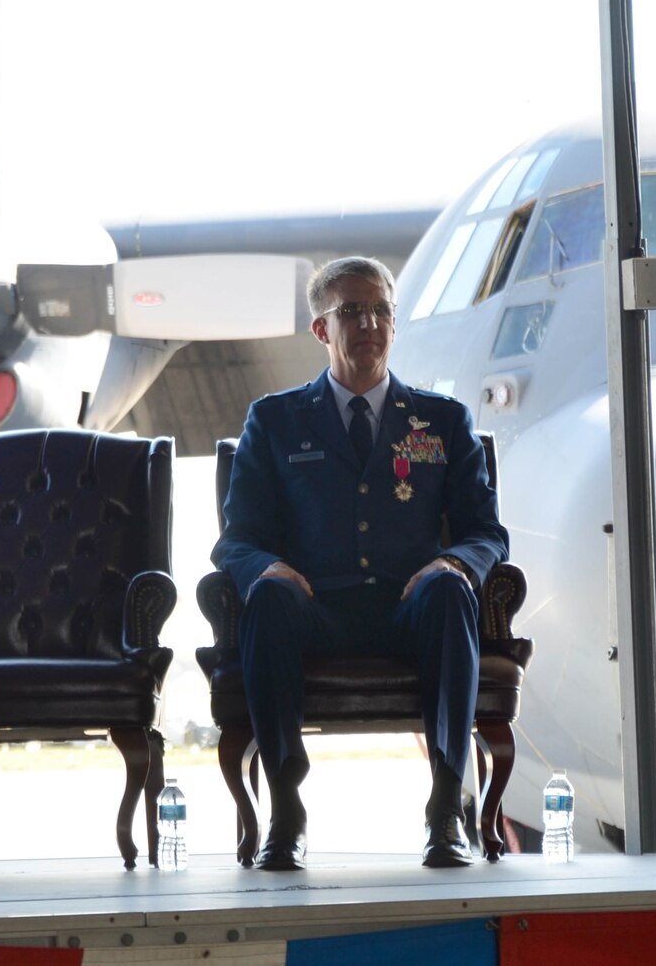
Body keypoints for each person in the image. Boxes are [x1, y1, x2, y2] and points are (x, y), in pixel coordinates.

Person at [212, 255, 507, 872]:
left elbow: (486, 532)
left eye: (380, 311)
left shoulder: (442, 421)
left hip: (410, 605)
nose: (368, 323)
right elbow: (236, 541)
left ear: (394, 325)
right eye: (351, 311)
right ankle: (286, 811)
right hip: (316, 606)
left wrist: (455, 562)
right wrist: (263, 568)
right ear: (321, 329)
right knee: (266, 597)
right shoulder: (275, 419)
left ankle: (446, 809)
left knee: (454, 591)